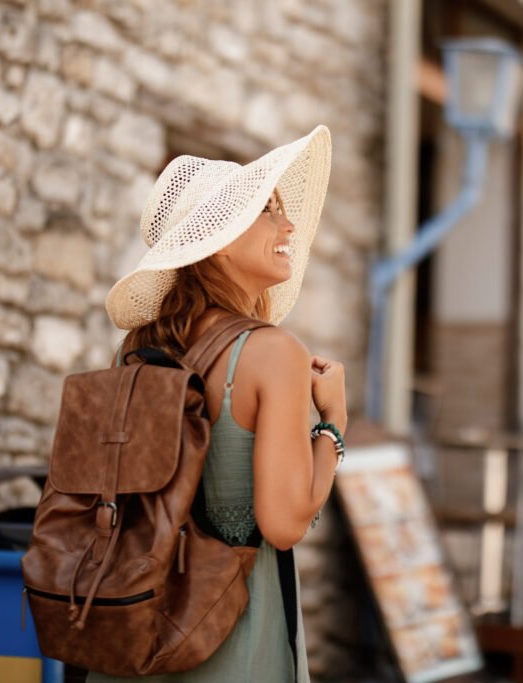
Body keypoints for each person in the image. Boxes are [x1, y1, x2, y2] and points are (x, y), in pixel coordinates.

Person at [91, 125, 339, 682]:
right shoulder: (273, 352)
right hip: (230, 634)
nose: (289, 224)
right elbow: (284, 523)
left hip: (135, 626)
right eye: (268, 210)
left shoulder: (139, 352)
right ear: (222, 238)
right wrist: (333, 427)